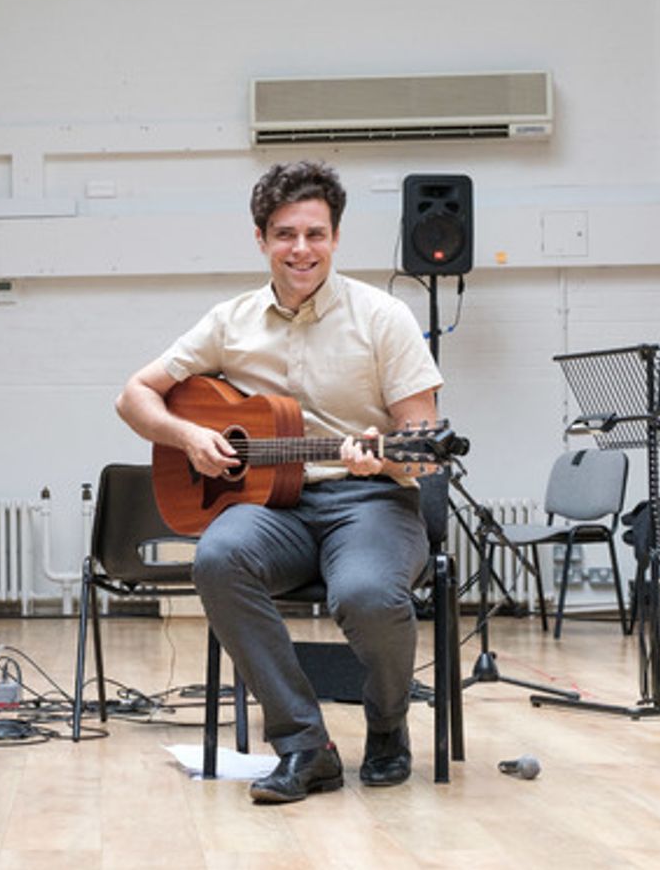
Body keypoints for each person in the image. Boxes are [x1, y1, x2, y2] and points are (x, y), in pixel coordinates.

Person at [115, 161, 443, 804]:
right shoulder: (229, 321)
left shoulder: (385, 318)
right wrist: (188, 437)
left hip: (370, 499)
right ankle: (304, 746)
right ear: (261, 238)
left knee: (368, 595)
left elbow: (422, 452)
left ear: (336, 238)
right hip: (273, 505)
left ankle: (386, 725)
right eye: (286, 234)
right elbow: (133, 396)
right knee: (217, 556)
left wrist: (385, 458)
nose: (301, 250)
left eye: (315, 234)